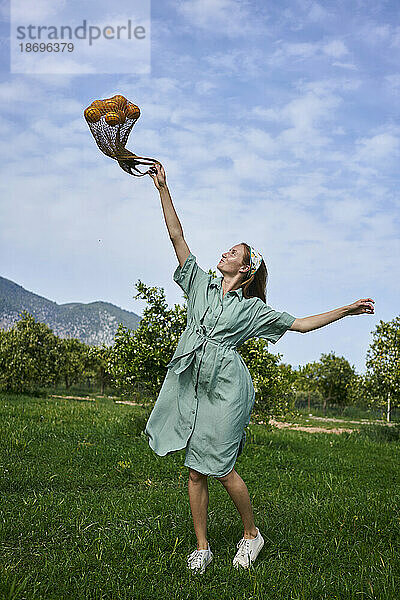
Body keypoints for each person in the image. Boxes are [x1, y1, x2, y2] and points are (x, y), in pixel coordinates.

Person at [144, 163, 375, 574]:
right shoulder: (200, 283)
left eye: (234, 252)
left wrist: (345, 310)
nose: (226, 252)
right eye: (228, 248)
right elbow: (177, 236)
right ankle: (203, 547)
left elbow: (301, 325)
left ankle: (252, 535)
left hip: (227, 389)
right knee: (195, 471)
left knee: (222, 468)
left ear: (245, 269)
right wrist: (164, 189)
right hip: (192, 381)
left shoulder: (252, 311)